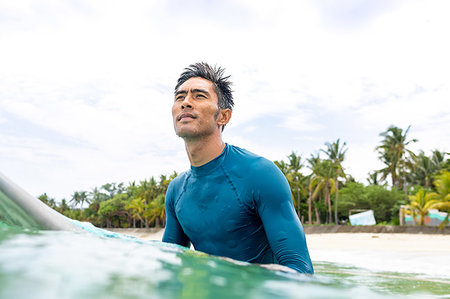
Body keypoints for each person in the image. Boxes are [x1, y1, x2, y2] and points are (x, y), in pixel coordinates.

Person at [162, 62, 314, 274]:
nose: (185, 102)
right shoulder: (176, 191)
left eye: (199, 96)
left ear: (223, 116)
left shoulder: (260, 174)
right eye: (180, 97)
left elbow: (299, 268)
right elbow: (169, 267)